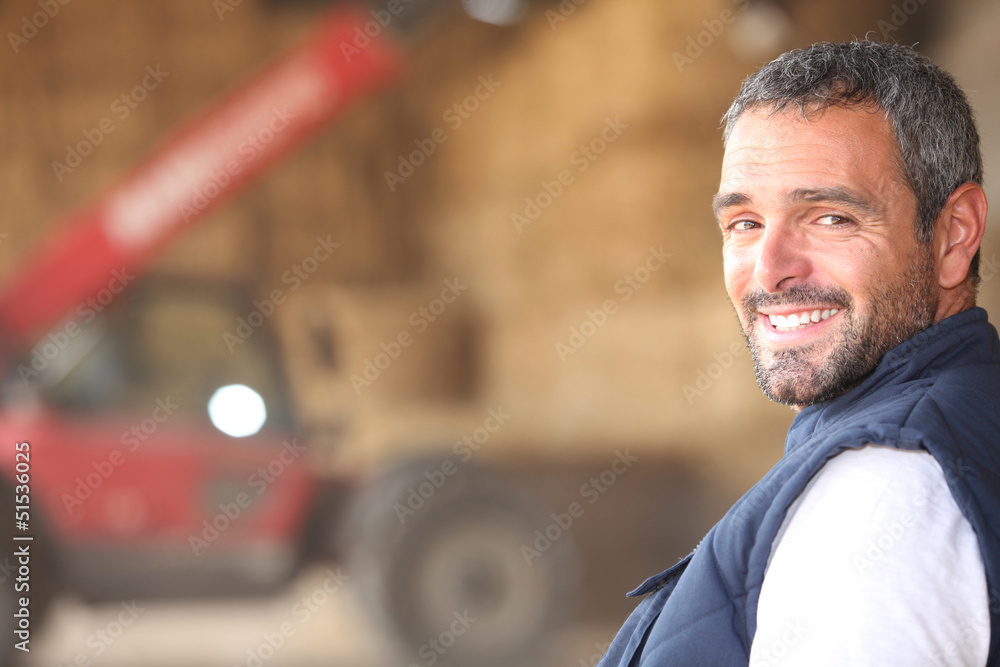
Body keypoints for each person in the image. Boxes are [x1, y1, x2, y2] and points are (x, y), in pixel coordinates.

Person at [598, 40, 1000, 666]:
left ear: (954, 234)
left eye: (830, 217)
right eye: (745, 224)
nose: (769, 272)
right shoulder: (963, 413)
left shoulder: (881, 499)